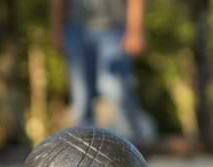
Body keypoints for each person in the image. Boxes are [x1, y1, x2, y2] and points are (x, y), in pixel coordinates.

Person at [51, 0, 146, 142]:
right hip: (76, 28)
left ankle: (133, 145)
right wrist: (57, 29)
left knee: (115, 88)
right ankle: (84, 148)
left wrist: (135, 31)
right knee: (81, 96)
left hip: (113, 28)